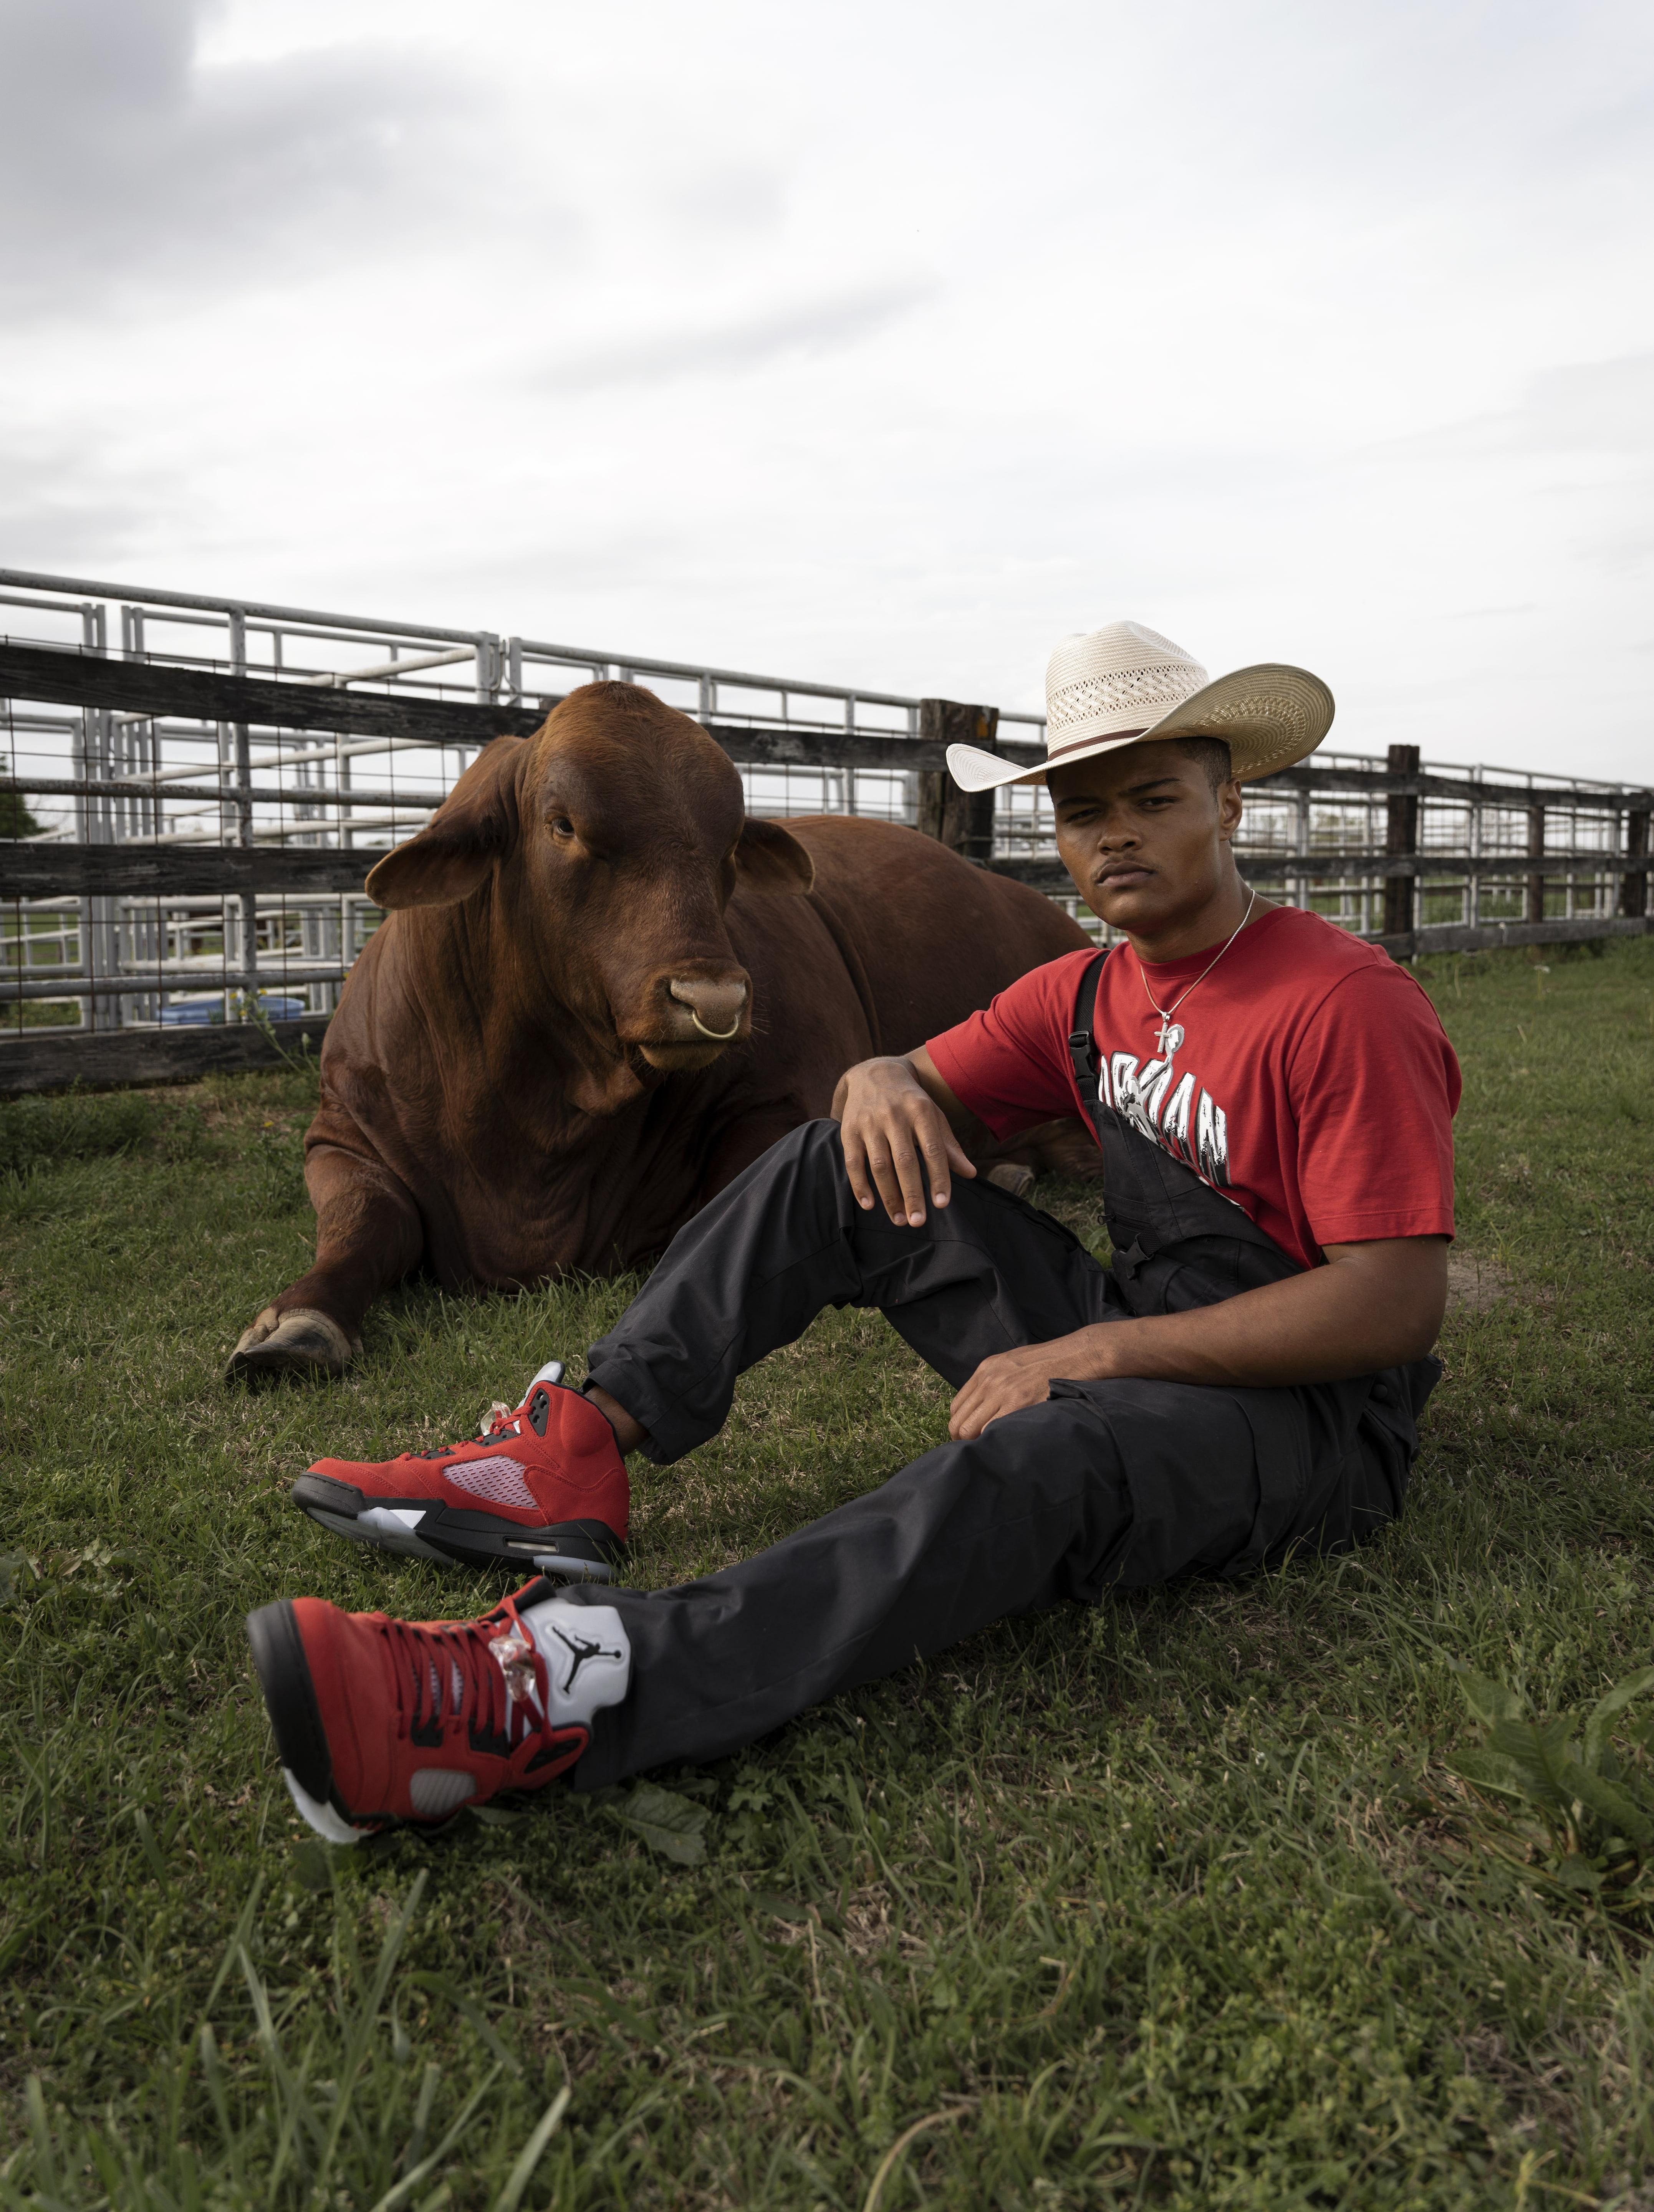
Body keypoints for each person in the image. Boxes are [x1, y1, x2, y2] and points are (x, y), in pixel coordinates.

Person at [247, 619, 1461, 1844]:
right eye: (1083, 811)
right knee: (833, 1159)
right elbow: (898, 1083)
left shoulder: (1341, 1001)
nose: (1116, 835)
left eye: (1153, 798)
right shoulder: (1087, 993)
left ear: (1228, 803)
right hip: (1149, 1332)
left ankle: (563, 1687)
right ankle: (570, 1450)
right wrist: (879, 1079)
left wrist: (1093, 1357)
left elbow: (1390, 1306)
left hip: (1312, 1419)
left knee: (1041, 1462)